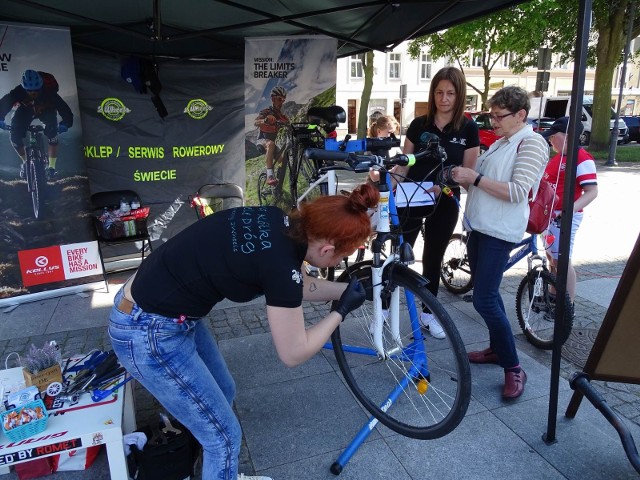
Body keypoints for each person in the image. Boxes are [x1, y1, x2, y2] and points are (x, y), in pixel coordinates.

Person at [107, 184, 378, 480]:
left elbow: (299, 284)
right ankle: (220, 468)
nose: (337, 264)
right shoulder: (280, 265)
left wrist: (349, 291)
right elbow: (293, 352)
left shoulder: (278, 222)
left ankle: (219, 473)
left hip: (158, 309)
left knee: (224, 392)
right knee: (223, 438)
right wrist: (341, 311)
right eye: (340, 259)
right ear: (327, 249)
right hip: (148, 331)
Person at [450, 86, 549, 399]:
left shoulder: (532, 143)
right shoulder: (505, 141)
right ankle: (496, 348)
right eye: (490, 114)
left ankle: (513, 367)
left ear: (521, 115)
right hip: (480, 226)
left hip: (499, 230)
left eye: (498, 115)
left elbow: (518, 191)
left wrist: (474, 178)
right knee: (487, 294)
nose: (492, 120)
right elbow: (484, 177)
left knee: (484, 298)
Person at [391, 67, 480, 339]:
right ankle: (386, 309)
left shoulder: (468, 128)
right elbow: (403, 166)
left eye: (450, 93)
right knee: (398, 255)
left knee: (432, 259)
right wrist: (388, 186)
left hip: (446, 201)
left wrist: (444, 185)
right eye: (439, 92)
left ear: (459, 95)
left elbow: (467, 175)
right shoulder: (419, 124)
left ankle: (428, 314)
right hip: (411, 198)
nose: (444, 98)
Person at [541, 116, 598, 305]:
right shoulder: (559, 157)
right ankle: (553, 294)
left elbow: (592, 191)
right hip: (550, 216)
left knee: (562, 261)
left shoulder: (580, 157)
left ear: (567, 136)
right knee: (552, 258)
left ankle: (568, 304)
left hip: (563, 218)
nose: (550, 140)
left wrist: (566, 212)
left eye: (553, 136)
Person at [0, 69, 73, 179]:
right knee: (15, 136)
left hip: (46, 109)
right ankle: (25, 163)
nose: (33, 93)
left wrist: (66, 123)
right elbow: (5, 103)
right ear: (24, 87)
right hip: (26, 110)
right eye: (30, 91)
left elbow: (64, 108)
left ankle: (51, 168)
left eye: (37, 90)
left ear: (41, 86)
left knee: (52, 133)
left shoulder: (49, 92)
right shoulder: (19, 91)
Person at [254, 86, 289, 186]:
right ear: (273, 99)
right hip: (262, 141)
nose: (281, 102)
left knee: (283, 161)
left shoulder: (282, 116)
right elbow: (256, 122)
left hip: (272, 145)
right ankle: (269, 176)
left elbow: (290, 125)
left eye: (283, 100)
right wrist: (265, 120)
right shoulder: (266, 111)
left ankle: (277, 186)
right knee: (271, 144)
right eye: (279, 99)